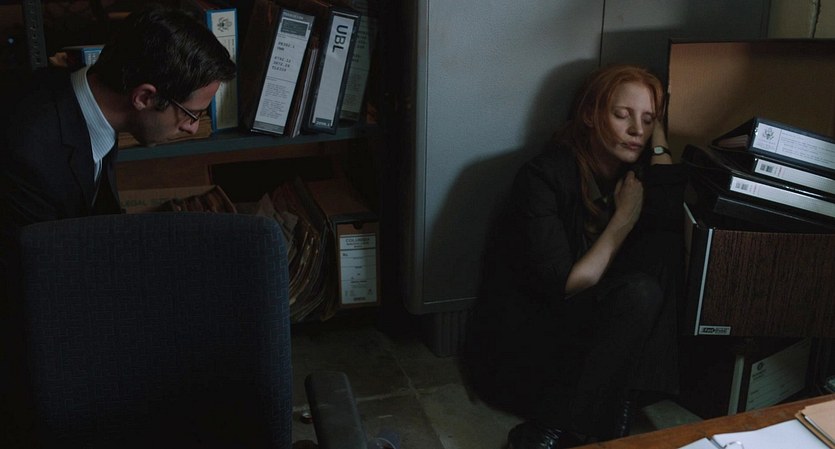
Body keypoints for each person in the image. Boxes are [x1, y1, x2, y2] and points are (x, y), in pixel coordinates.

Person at [0, 5, 236, 445]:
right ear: (144, 97)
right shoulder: (27, 150)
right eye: (189, 114)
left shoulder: (83, 97)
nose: (192, 128)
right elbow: (40, 293)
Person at [462, 64, 687, 449]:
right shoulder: (543, 177)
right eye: (622, 115)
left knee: (664, 247)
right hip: (530, 352)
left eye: (648, 120)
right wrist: (623, 220)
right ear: (590, 115)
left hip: (592, 349)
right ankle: (557, 426)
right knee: (639, 292)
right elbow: (565, 285)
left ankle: (610, 407)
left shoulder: (631, 177)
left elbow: (667, 208)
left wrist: (660, 134)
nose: (637, 130)